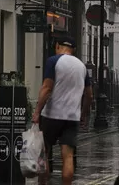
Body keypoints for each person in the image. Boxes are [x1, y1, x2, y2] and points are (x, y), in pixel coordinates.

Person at [32, 36, 93, 185]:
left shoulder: (53, 61)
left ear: (58, 46)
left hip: (51, 115)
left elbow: (47, 88)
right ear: (74, 50)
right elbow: (89, 95)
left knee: (44, 153)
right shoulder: (82, 66)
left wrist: (37, 111)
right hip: (72, 117)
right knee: (68, 156)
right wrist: (84, 113)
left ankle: (42, 183)